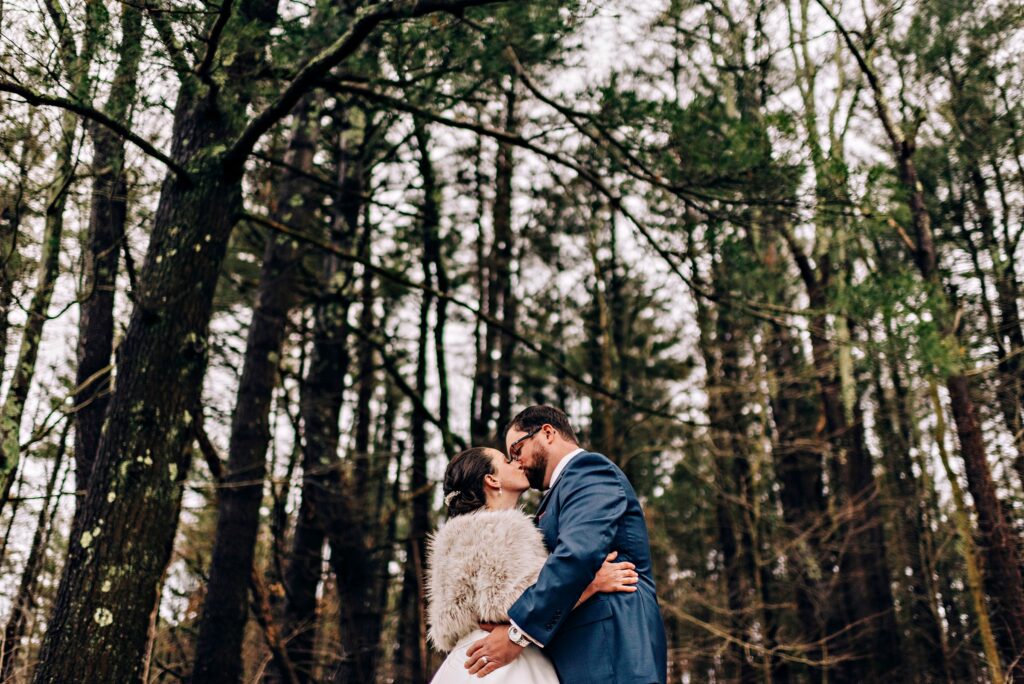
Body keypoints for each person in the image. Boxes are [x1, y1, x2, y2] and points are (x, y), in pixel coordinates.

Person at [464, 405, 668, 683]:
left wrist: (518, 633)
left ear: (547, 433)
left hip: (611, 648)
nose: (518, 462)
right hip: (582, 654)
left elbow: (576, 556)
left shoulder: (589, 470)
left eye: (517, 450)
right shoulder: (556, 495)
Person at [426, 446, 639, 683]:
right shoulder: (503, 529)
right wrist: (593, 583)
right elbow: (535, 599)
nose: (517, 463)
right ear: (491, 479)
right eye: (507, 461)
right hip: (504, 665)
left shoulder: (453, 539)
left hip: (464, 664)